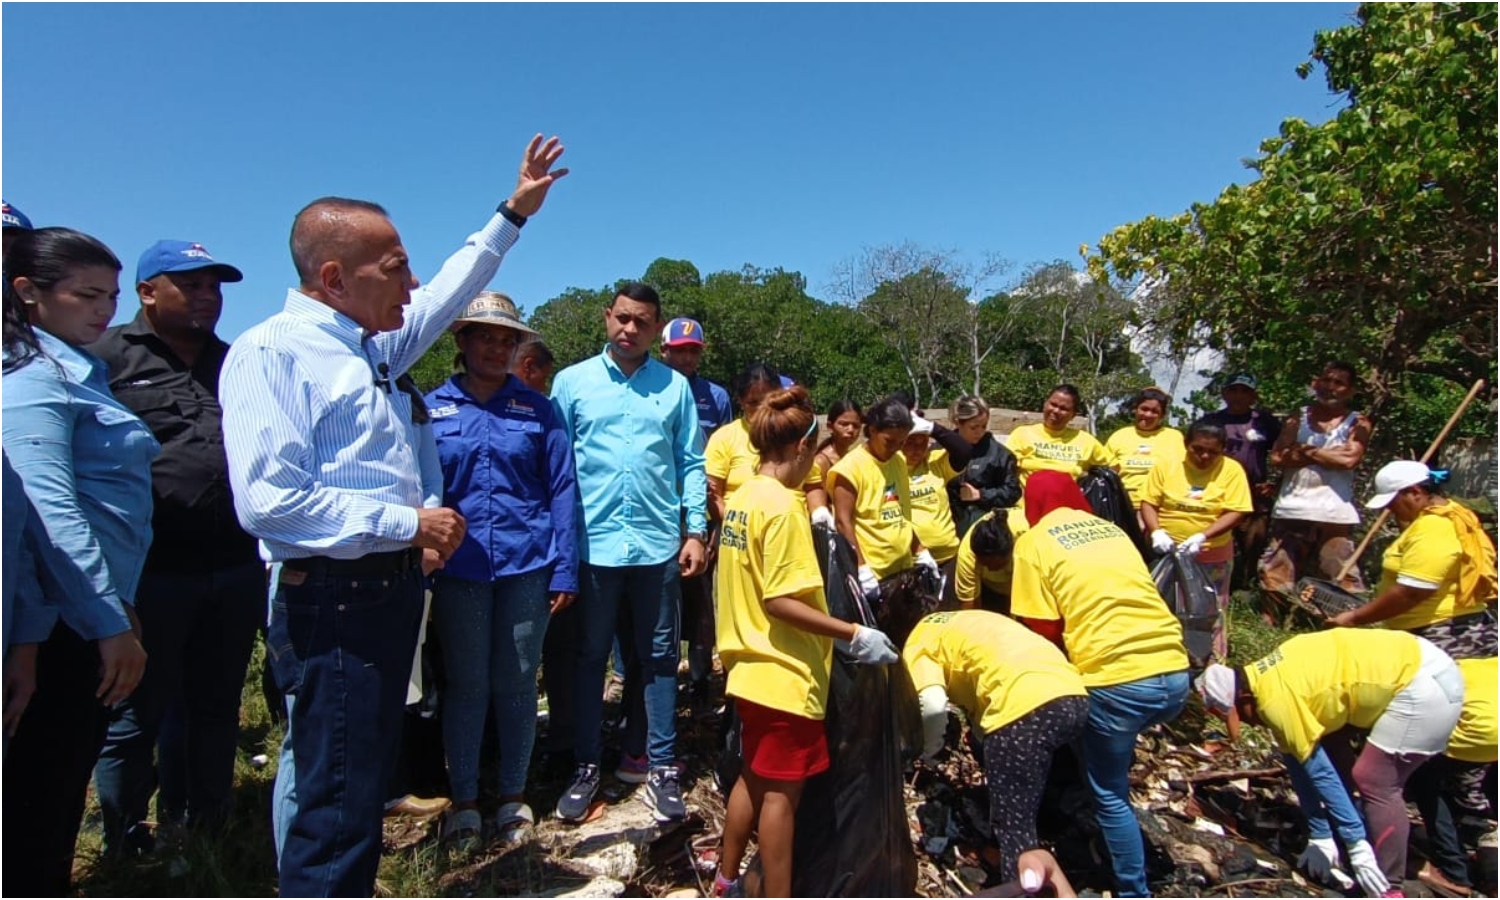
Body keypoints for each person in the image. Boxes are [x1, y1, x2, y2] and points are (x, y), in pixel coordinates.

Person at [220, 135, 567, 897]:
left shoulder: (371, 351)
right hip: (332, 600)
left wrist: (512, 214)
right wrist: (410, 524)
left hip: (384, 592)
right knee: (334, 797)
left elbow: (449, 290)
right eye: (395, 266)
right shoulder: (274, 353)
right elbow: (270, 500)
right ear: (335, 276)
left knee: (362, 782)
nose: (411, 280)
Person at [84, 239, 264, 857]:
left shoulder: (237, 360)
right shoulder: (103, 359)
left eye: (214, 287)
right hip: (149, 573)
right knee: (136, 710)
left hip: (234, 565)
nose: (206, 297)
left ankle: (207, 824)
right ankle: (125, 835)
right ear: (146, 291)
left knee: (215, 706)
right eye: (189, 284)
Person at [2, 228, 156, 896]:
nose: (104, 310)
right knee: (42, 792)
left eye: (112, 296)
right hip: (74, 621)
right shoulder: (34, 380)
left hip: (88, 613)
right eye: (86, 295)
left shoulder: (80, 367)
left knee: (58, 788)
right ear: (28, 293)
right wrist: (107, 623)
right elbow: (46, 514)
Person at [713, 385, 899, 899]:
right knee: (782, 799)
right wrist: (854, 633)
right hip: (784, 677)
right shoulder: (782, 508)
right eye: (813, 454)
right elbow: (782, 602)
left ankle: (725, 880)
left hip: (747, 667)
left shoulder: (745, 496)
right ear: (800, 449)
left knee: (751, 779)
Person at [550, 281, 707, 825]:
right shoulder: (572, 384)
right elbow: (558, 472)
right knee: (591, 659)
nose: (629, 329)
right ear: (606, 317)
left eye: (641, 322)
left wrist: (695, 531)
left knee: (661, 659)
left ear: (655, 328)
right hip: (592, 550)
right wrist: (560, 548)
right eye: (622, 318)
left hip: (657, 547)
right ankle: (587, 765)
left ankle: (661, 765)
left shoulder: (674, 388)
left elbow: (691, 463)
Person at [425, 292, 579, 844]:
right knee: (466, 686)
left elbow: (562, 488)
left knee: (516, 685)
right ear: (461, 340)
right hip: (457, 571)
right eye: (484, 336)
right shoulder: (431, 408)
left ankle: (513, 797)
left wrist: (565, 568)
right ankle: (464, 799)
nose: (495, 347)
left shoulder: (539, 410)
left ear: (518, 348)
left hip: (527, 566)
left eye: (506, 339)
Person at [1010, 470, 1190, 898]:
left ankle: (1133, 890)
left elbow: (1041, 627)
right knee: (1101, 755)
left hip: (1118, 681)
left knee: (1110, 794)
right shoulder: (1111, 530)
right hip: (1175, 673)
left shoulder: (1034, 543)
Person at [1198, 629, 1465, 896]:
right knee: (1330, 743)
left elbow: (1320, 772)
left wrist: (1355, 842)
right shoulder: (1268, 678)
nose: (1249, 723)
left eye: (1241, 716)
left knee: (1376, 781)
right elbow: (1297, 762)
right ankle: (1365, 837)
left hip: (1424, 685)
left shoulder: (1275, 702)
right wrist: (1320, 833)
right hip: (1416, 666)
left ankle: (1388, 885)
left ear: (1243, 699)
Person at [905, 610, 1088, 885]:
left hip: (1023, 710)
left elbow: (931, 706)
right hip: (1073, 696)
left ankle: (1020, 886)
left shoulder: (915, 644)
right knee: (1052, 790)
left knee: (1014, 827)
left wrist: (926, 753)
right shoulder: (960, 621)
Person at [1328, 460, 1498, 658]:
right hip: (1436, 630)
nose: (1391, 510)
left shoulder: (1434, 527)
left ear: (1415, 492)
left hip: (1446, 636)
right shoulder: (1449, 513)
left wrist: (1355, 618)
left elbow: (1413, 591)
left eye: (1393, 502)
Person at [1259, 362, 1373, 614]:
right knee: (1275, 576)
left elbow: (1349, 460)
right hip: (1292, 508)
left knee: (1342, 577)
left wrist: (1303, 450)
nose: (1331, 387)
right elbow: (1278, 457)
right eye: (1327, 380)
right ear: (1316, 383)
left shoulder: (1358, 422)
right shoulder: (1297, 417)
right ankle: (1268, 631)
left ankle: (1345, 627)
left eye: (1339, 383)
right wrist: (1328, 454)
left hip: (1334, 514)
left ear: (1351, 390)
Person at [1141, 419, 1253, 661]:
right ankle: (1163, 657)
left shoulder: (1232, 470)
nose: (1204, 456)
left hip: (1210, 554)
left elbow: (1237, 510)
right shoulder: (1167, 466)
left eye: (1213, 452)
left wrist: (1204, 535)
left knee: (1211, 608)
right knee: (1162, 603)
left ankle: (1211, 661)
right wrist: (1156, 531)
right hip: (1167, 552)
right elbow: (1149, 502)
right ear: (1186, 444)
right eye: (1197, 449)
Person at [828, 397, 939, 614]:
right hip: (875, 575)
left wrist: (920, 550)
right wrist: (861, 568)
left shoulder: (898, 461)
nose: (895, 448)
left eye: (901, 442)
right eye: (890, 441)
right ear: (872, 430)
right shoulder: (849, 469)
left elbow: (902, 512)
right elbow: (843, 522)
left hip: (904, 568)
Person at [1405, 655, 1496, 897]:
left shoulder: (1433, 671)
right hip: (1490, 729)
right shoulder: (1486, 664)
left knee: (1424, 781)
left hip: (1483, 730)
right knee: (1487, 779)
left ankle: (1454, 872)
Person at [1199, 373, 1282, 588]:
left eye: (1245, 391)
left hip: (1254, 495)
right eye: (1234, 390)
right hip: (1214, 493)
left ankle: (1246, 591)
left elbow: (1284, 453)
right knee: (1212, 541)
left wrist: (1276, 483)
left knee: (1253, 544)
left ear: (1253, 395)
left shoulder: (1265, 422)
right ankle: (1208, 587)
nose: (1238, 396)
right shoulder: (1210, 421)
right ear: (1224, 393)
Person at [901, 411, 974, 602]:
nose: (917, 449)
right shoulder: (892, 468)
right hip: (913, 560)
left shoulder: (935, 463)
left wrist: (933, 428)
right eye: (910, 443)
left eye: (922, 443)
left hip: (948, 556)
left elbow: (964, 451)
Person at [1005, 384, 1111, 488]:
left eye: (1063, 409)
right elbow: (1005, 470)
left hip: (1068, 504)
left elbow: (1112, 468)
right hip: (1026, 504)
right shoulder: (1022, 434)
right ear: (1045, 404)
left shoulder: (1087, 441)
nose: (1056, 411)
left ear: (1073, 415)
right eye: (1053, 404)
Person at [946, 394, 1020, 536]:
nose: (979, 432)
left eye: (984, 426)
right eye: (973, 427)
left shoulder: (1000, 454)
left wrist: (980, 494)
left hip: (983, 527)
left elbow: (1013, 491)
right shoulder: (941, 450)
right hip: (946, 526)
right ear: (958, 422)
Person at [1105, 387, 1183, 512]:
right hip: (1123, 506)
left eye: (1154, 411)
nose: (1148, 415)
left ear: (1162, 415)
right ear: (1136, 409)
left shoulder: (1174, 437)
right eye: (1144, 409)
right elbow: (1108, 474)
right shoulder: (1119, 436)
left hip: (1160, 507)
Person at [661, 316, 733, 442]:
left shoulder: (717, 397)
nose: (688, 358)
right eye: (680, 350)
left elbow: (727, 447)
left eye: (694, 351)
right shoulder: (648, 390)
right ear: (664, 351)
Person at [954, 510, 1027, 614]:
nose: (990, 569)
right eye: (985, 564)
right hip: (990, 590)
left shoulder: (1028, 532)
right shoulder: (968, 557)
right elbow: (970, 609)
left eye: (997, 566)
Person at [812, 398, 862, 478]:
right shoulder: (821, 463)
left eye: (856, 426)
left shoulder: (850, 457)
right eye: (844, 424)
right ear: (830, 427)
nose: (851, 430)